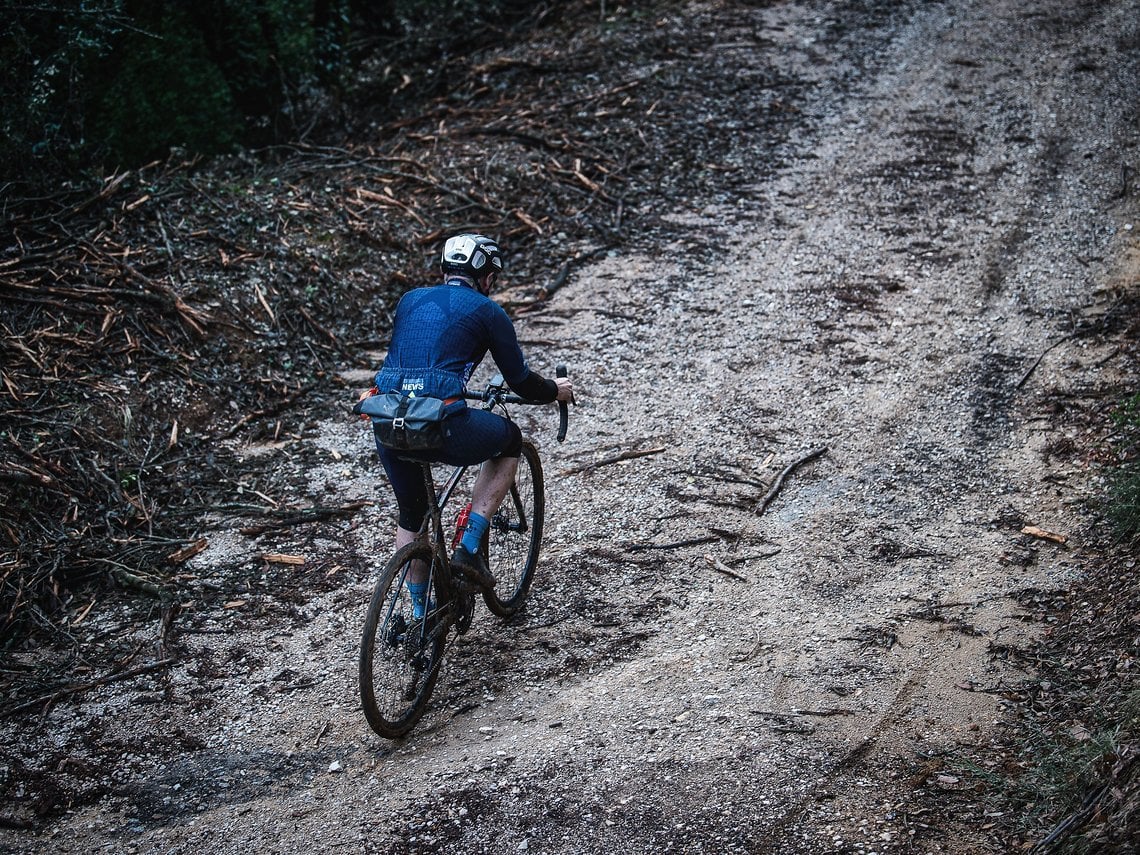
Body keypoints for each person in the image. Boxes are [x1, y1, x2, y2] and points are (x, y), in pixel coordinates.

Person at [368, 234, 574, 618]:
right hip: (442, 425)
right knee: (510, 439)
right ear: (485, 277)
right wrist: (554, 392)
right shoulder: (488, 311)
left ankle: (418, 615)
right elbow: (520, 381)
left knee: (412, 515)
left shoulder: (409, 300)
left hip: (387, 423)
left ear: (445, 269)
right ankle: (469, 548)